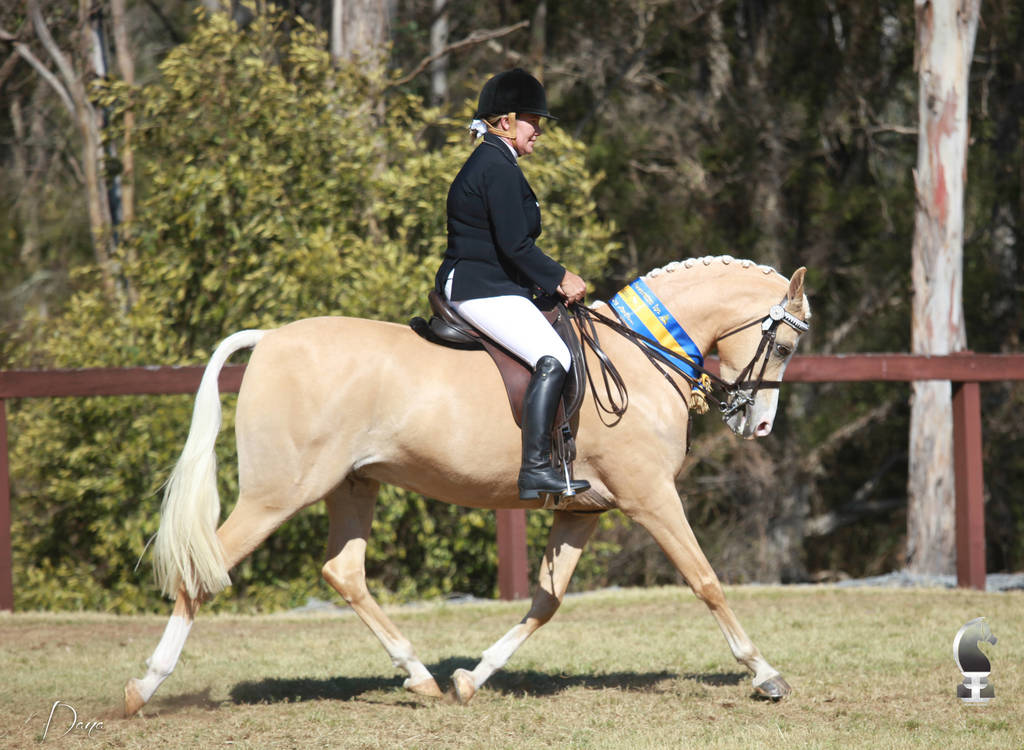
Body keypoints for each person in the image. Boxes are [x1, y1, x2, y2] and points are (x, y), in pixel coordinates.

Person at [434, 68, 590, 500]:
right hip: (476, 285)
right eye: (532, 121)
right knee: (554, 354)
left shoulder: (499, 161)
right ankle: (536, 468)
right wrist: (560, 277)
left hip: (490, 281)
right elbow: (516, 246)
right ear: (505, 121)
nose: (538, 130)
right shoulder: (495, 166)